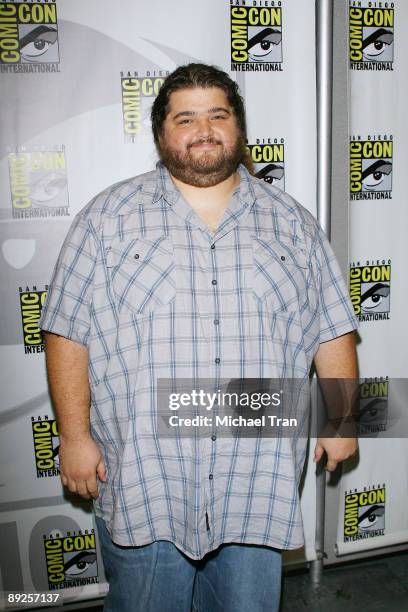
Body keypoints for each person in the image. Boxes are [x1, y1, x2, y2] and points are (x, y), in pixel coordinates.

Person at [40, 63, 359, 612]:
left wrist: (342, 422)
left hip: (256, 480)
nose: (203, 129)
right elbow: (67, 331)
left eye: (218, 114)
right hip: (146, 480)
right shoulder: (106, 219)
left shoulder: (293, 222)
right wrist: (73, 436)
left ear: (239, 127)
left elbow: (331, 328)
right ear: (161, 133)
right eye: (185, 118)